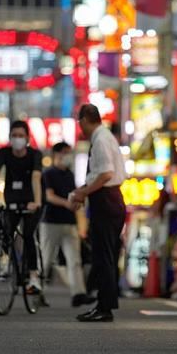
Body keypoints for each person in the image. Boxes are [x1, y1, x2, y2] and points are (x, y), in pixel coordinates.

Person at [70, 104, 126, 322]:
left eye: (79, 122)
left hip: (106, 199)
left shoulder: (101, 139)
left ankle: (105, 307)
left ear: (84, 120)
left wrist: (83, 192)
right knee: (105, 255)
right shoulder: (104, 137)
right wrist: (84, 192)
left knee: (103, 256)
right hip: (108, 199)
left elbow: (105, 174)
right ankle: (104, 303)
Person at [0, 120, 43, 294]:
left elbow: (36, 178)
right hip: (12, 200)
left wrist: (37, 202)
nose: (17, 139)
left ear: (28, 139)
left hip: (31, 201)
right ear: (9, 138)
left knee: (28, 234)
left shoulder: (35, 154)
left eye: (21, 136)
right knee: (6, 233)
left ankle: (34, 275)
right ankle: (5, 264)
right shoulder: (4, 153)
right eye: (14, 136)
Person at [41, 142, 94, 307]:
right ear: (56, 154)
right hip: (50, 222)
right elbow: (49, 196)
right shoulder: (48, 174)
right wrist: (66, 204)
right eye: (65, 153)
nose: (68, 156)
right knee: (46, 260)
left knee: (74, 260)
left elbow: (73, 195)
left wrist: (78, 212)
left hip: (69, 222)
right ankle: (37, 293)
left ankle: (78, 293)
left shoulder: (70, 175)